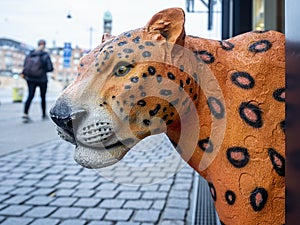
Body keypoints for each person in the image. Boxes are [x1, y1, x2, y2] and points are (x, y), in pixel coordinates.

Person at [21, 39, 54, 123]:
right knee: (42, 97)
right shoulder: (45, 54)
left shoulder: (30, 53)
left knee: (30, 95)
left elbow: (25, 66)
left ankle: (25, 114)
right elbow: (50, 68)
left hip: (30, 78)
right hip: (42, 79)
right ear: (44, 45)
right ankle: (43, 114)